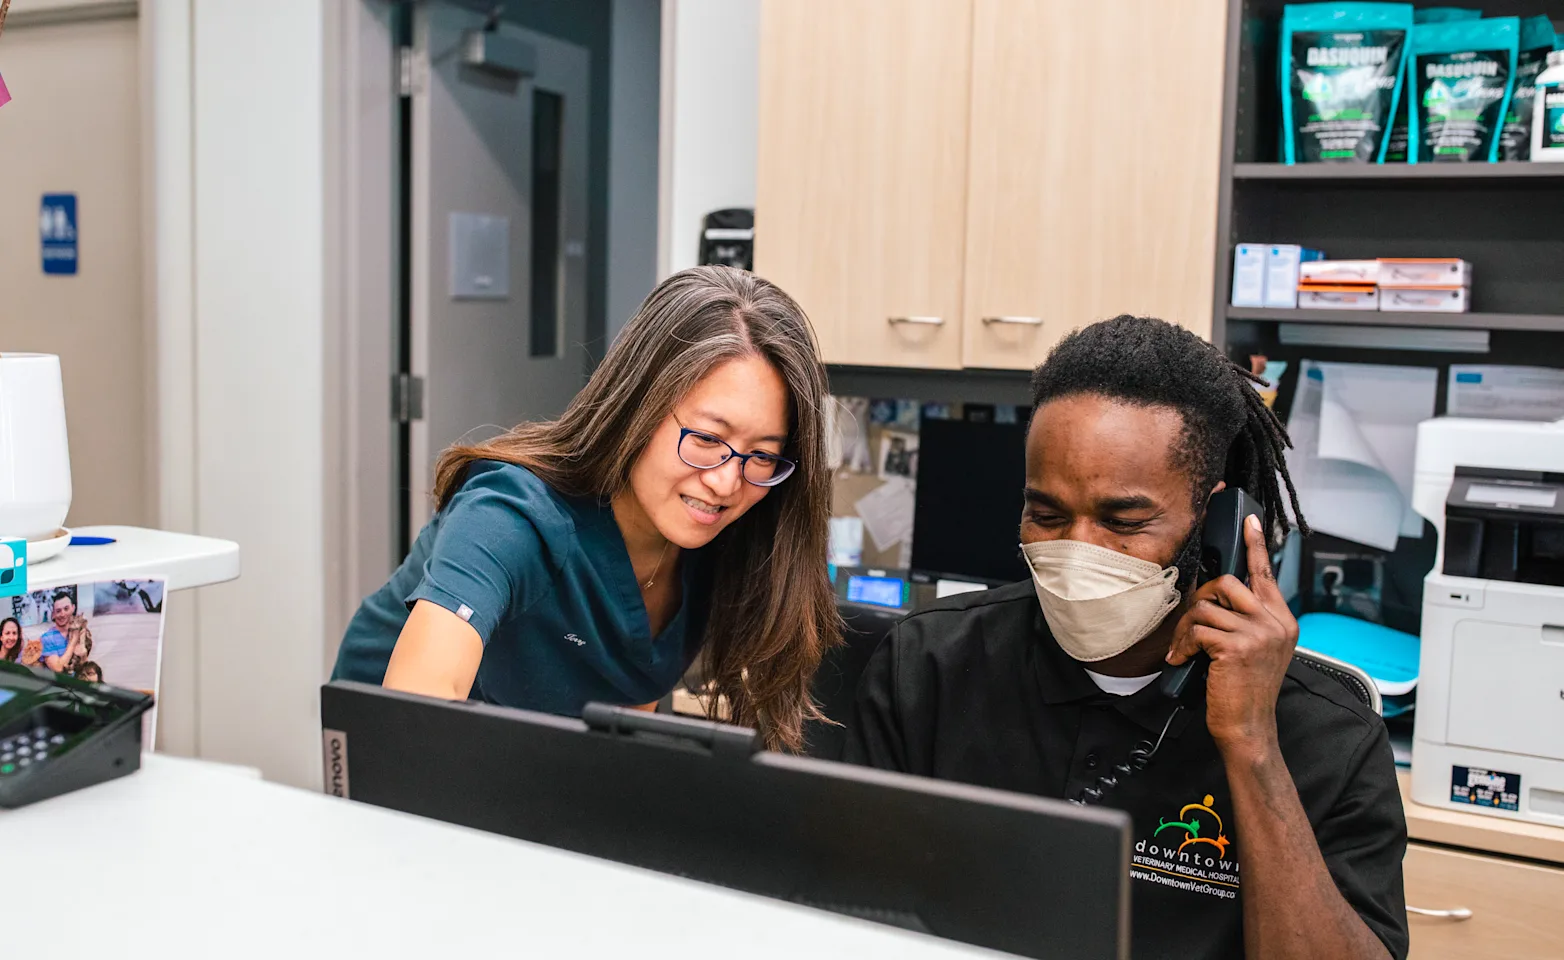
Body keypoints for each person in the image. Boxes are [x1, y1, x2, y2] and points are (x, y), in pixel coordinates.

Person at [845, 316, 1407, 960]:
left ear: (1217, 521)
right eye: (1046, 514)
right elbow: (851, 912)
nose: (1078, 550)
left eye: (1124, 521)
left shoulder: (1329, 736)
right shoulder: (930, 663)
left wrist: (1252, 745)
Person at [333, 266, 839, 751]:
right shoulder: (511, 514)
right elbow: (417, 711)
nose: (728, 481)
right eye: (707, 438)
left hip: (534, 760)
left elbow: (626, 699)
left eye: (764, 455)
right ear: (638, 406)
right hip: (401, 755)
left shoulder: (723, 538)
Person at [38, 592, 75, 672]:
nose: (62, 614)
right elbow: (58, 668)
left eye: (66, 609)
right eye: (58, 611)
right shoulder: (47, 638)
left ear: (73, 608)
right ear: (53, 614)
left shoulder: (79, 631)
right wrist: (74, 640)